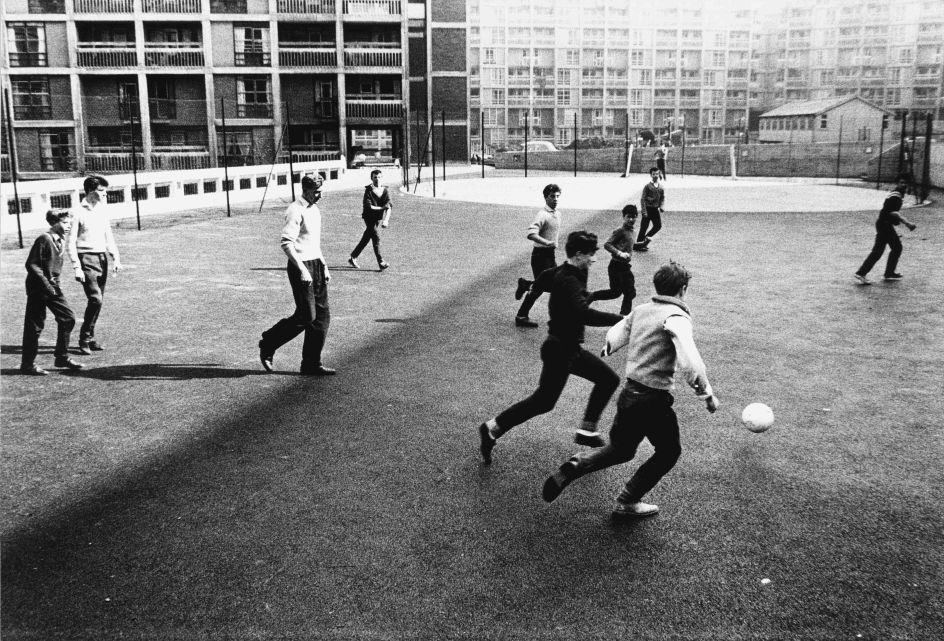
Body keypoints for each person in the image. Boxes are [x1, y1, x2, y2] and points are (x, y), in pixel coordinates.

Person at [541, 262, 719, 518]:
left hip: (629, 394)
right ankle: (628, 501)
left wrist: (608, 348)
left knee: (621, 450)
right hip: (653, 399)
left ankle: (578, 463)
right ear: (683, 290)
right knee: (669, 451)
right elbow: (690, 360)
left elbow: (617, 332)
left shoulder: (642, 309)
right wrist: (706, 393)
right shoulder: (677, 317)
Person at [479, 231, 624, 462]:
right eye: (590, 255)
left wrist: (529, 289)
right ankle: (492, 427)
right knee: (543, 401)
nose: (593, 259)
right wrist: (622, 320)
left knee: (607, 380)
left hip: (568, 348)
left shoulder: (569, 272)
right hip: (560, 350)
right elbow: (583, 313)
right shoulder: (568, 279)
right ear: (578, 255)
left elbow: (544, 278)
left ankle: (587, 429)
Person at [258, 175, 335, 375]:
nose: (320, 195)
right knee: (307, 315)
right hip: (300, 267)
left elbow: (313, 242)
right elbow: (286, 243)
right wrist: (302, 269)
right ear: (306, 190)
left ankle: (311, 363)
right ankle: (268, 343)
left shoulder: (314, 210)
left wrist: (324, 265)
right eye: (317, 192)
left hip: (316, 264)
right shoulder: (295, 210)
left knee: (322, 317)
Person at [21, 210, 84, 375]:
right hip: (38, 288)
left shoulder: (61, 240)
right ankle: (27, 364)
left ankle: (61, 357)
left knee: (67, 318)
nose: (68, 226)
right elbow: (32, 265)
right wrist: (47, 285)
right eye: (64, 223)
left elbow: (53, 268)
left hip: (52, 287)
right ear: (53, 223)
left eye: (69, 223)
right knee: (35, 326)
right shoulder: (44, 238)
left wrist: (55, 285)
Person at [67, 175, 121, 354]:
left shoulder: (103, 210)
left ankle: (90, 337)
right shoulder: (77, 212)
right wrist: (76, 266)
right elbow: (70, 242)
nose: (105, 194)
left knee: (99, 301)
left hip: (102, 258)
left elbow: (108, 236)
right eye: (101, 191)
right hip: (85, 258)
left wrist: (116, 258)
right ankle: (84, 338)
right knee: (95, 299)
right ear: (90, 191)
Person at [854, 175, 918, 284]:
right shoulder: (896, 196)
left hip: (883, 224)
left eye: (905, 183)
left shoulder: (896, 194)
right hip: (885, 225)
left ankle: (878, 273)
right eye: (901, 182)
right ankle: (867, 273)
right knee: (895, 248)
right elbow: (893, 212)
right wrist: (907, 223)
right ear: (897, 183)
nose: (904, 185)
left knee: (882, 250)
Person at [514, 184, 562, 328]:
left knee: (554, 285)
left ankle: (525, 284)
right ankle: (521, 316)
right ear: (545, 197)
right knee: (541, 287)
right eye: (552, 196)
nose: (555, 199)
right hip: (540, 256)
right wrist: (546, 242)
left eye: (558, 196)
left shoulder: (557, 213)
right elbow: (531, 233)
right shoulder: (543, 214)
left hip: (550, 255)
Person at [590, 205, 638, 315]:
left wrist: (644, 243)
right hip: (616, 266)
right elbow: (607, 244)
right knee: (615, 292)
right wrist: (619, 253)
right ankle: (592, 296)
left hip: (625, 267)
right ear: (624, 217)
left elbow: (631, 245)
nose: (631, 219)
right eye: (628, 217)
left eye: (634, 217)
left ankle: (623, 316)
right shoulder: (620, 231)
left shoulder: (632, 231)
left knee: (630, 293)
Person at [348, 169, 391, 271]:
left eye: (379, 177)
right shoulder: (368, 190)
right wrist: (381, 208)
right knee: (376, 237)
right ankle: (380, 261)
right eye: (375, 177)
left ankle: (353, 257)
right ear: (371, 178)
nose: (377, 179)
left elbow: (389, 206)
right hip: (369, 217)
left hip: (378, 218)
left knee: (366, 238)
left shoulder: (385, 190)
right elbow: (369, 207)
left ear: (382, 178)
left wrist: (386, 220)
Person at [634, 167, 665, 251]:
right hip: (647, 209)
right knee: (644, 227)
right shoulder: (647, 186)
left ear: (659, 175)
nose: (655, 176)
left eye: (657, 174)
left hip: (655, 210)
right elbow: (643, 199)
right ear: (651, 175)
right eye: (654, 174)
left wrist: (661, 206)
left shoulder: (661, 187)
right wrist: (644, 211)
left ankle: (645, 240)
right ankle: (639, 244)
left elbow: (662, 198)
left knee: (658, 226)